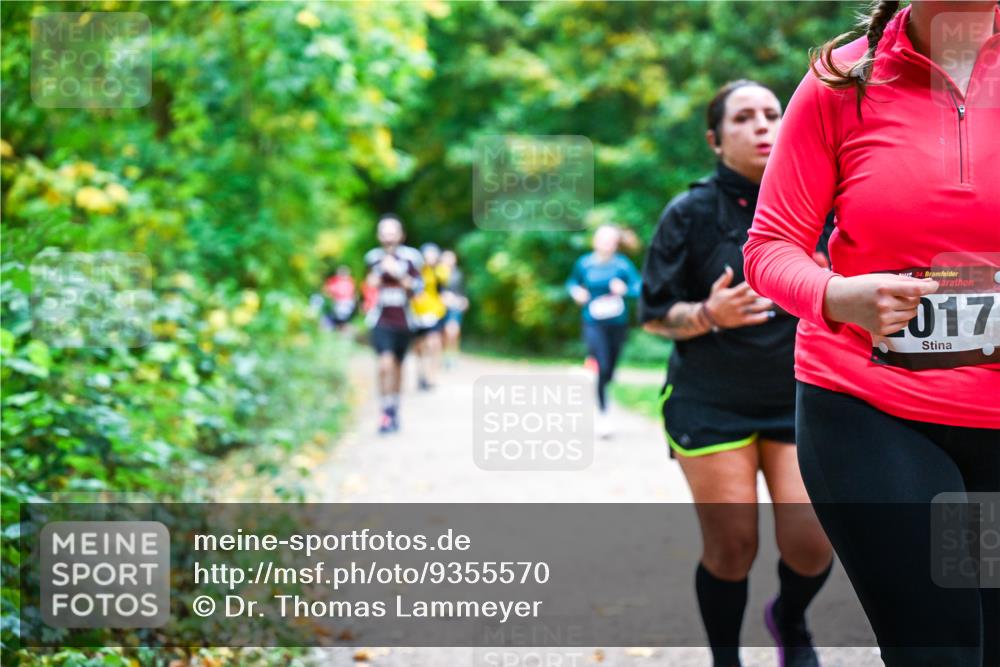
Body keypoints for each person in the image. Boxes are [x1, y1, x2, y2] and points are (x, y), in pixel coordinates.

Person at [744, 2, 999, 666]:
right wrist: (838, 296)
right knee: (940, 648)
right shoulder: (841, 79)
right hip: (871, 408)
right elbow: (770, 248)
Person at [639, 80, 835, 667]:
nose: (762, 126)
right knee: (732, 546)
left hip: (799, 396)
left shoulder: (824, 202)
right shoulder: (689, 213)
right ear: (715, 140)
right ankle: (726, 658)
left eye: (772, 114)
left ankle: (789, 619)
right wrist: (708, 314)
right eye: (743, 118)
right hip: (710, 401)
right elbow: (653, 315)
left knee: (811, 543)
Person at [566, 224, 642, 438]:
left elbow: (639, 287)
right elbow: (572, 282)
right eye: (603, 240)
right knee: (602, 365)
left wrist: (625, 290)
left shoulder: (622, 265)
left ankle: (597, 385)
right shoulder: (585, 263)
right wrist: (576, 292)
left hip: (616, 322)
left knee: (609, 370)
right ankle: (603, 413)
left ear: (616, 244)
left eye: (610, 241)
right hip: (593, 321)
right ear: (595, 241)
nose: (606, 244)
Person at [364, 214, 424, 434]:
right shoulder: (373, 258)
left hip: (404, 321)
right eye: (384, 233)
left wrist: (397, 272)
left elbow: (417, 289)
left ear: (401, 235)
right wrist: (379, 272)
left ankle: (394, 408)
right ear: (379, 236)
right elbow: (369, 285)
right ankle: (384, 409)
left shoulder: (412, 258)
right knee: (384, 363)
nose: (389, 237)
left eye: (392, 232)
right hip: (380, 319)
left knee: (398, 366)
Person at [410, 242, 448, 390]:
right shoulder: (415, 271)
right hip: (417, 313)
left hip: (435, 312)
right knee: (419, 346)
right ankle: (421, 373)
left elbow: (442, 288)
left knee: (434, 343)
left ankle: (432, 376)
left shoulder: (440, 272)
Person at [439, 249, 468, 369]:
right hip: (439, 307)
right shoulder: (437, 273)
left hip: (454, 307)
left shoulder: (458, 274)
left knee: (453, 331)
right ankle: (443, 356)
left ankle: (453, 357)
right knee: (442, 334)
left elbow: (462, 291)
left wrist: (464, 300)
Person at [322, 265, 358, 332]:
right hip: (340, 302)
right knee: (339, 314)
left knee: (342, 315)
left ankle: (342, 326)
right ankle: (337, 325)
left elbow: (352, 293)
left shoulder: (350, 281)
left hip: (346, 302)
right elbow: (327, 291)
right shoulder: (334, 281)